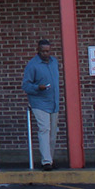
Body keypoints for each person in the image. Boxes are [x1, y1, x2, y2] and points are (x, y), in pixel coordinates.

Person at [22, 38, 60, 170]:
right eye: (43, 51)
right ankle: (46, 161)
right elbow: (26, 85)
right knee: (44, 129)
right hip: (39, 102)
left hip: (53, 102)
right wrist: (38, 87)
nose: (46, 54)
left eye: (48, 51)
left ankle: (50, 157)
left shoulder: (54, 62)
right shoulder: (32, 65)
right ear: (38, 50)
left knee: (53, 132)